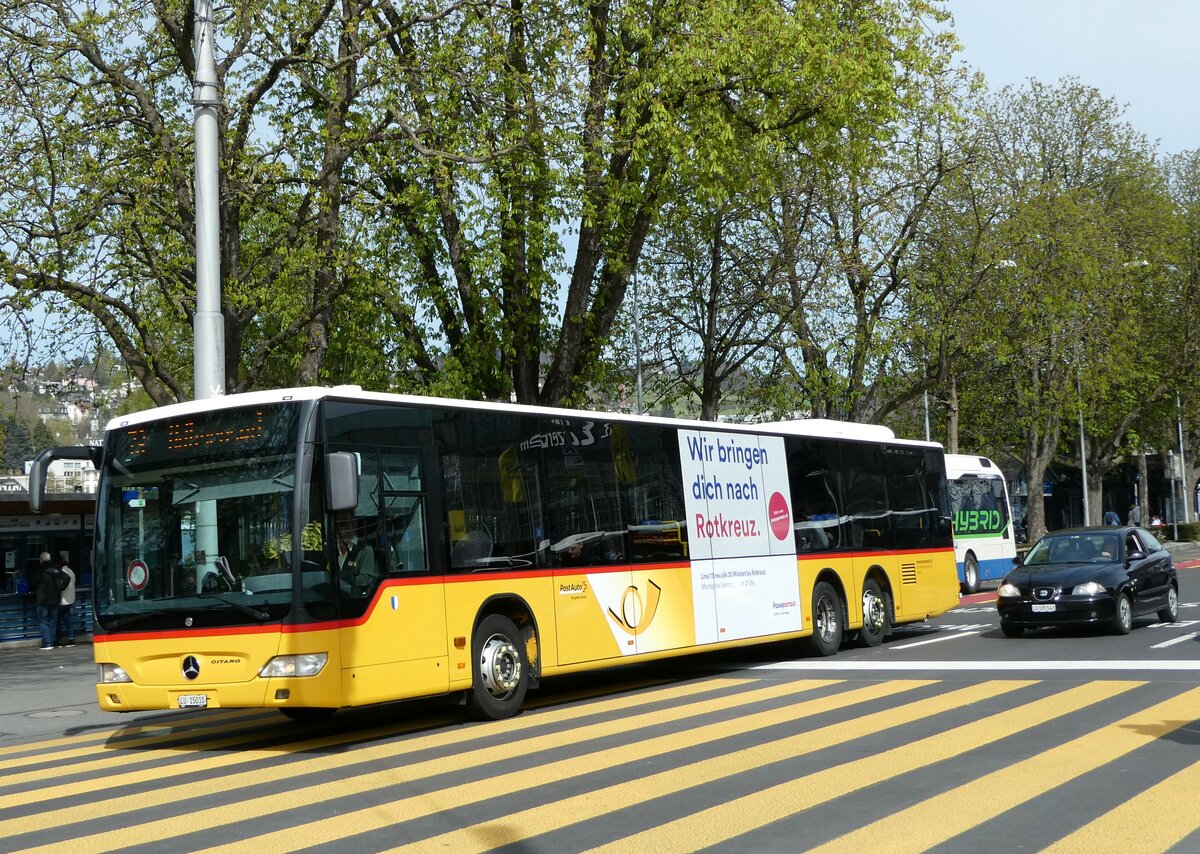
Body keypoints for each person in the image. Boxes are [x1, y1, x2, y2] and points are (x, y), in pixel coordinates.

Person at [34, 552, 63, 651]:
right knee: (53, 621)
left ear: (41, 560)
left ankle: (47, 643)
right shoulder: (56, 570)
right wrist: (61, 588)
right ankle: (52, 641)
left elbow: (34, 583)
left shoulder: (40, 571)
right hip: (55, 599)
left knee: (43, 622)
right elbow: (67, 578)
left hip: (43, 600)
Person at [334, 510, 376, 580]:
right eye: (336, 524)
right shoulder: (329, 548)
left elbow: (364, 581)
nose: (339, 527)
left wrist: (342, 577)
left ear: (354, 524)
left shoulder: (365, 550)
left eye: (343, 523)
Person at [56, 556, 77, 647]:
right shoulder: (71, 571)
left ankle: (58, 639)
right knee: (67, 620)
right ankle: (71, 638)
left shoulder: (61, 572)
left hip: (62, 599)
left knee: (58, 621)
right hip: (70, 599)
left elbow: (60, 584)